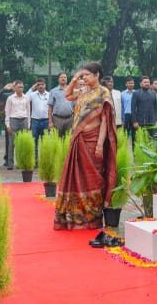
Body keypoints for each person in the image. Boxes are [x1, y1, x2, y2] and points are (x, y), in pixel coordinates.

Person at [53, 62, 117, 232]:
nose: (85, 78)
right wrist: (74, 79)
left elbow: (104, 121)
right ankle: (74, 217)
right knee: (75, 178)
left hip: (92, 140)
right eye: (83, 75)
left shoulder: (103, 93)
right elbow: (67, 95)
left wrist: (99, 145)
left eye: (87, 75)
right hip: (78, 140)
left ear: (97, 75)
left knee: (93, 179)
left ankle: (91, 218)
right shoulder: (82, 91)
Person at [4, 80, 30, 168]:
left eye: (22, 87)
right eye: (19, 87)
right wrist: (8, 125)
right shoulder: (10, 98)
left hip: (24, 120)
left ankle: (21, 163)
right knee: (12, 143)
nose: (21, 89)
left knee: (23, 143)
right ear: (14, 88)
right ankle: (10, 164)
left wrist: (28, 125)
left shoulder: (26, 98)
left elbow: (28, 111)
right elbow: (7, 112)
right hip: (13, 120)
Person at [131, 76, 157, 141]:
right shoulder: (136, 93)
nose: (147, 83)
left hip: (151, 122)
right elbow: (133, 109)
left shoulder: (153, 93)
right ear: (140, 84)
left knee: (150, 140)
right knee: (140, 140)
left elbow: (156, 108)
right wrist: (134, 121)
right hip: (140, 122)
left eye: (148, 82)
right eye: (145, 82)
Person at [48, 72, 75, 137]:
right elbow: (50, 107)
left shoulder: (72, 91)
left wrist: (75, 120)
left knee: (69, 140)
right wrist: (50, 122)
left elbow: (75, 107)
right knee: (56, 139)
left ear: (67, 79)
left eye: (65, 77)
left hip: (69, 119)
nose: (63, 79)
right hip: (57, 119)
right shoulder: (53, 91)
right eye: (61, 77)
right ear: (58, 79)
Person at [26, 77, 50, 150]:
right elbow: (25, 98)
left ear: (45, 85)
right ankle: (36, 161)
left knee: (45, 142)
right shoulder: (32, 94)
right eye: (38, 84)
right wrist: (32, 88)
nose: (40, 86)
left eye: (42, 84)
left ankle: (43, 160)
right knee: (34, 142)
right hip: (35, 121)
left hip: (46, 121)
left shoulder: (49, 94)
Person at [121, 78, 135, 144]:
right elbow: (122, 107)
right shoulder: (122, 94)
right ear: (126, 84)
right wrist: (122, 120)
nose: (131, 84)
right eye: (129, 83)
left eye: (132, 83)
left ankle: (134, 151)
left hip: (134, 115)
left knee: (134, 135)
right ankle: (125, 150)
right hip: (126, 116)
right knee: (125, 133)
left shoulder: (136, 93)